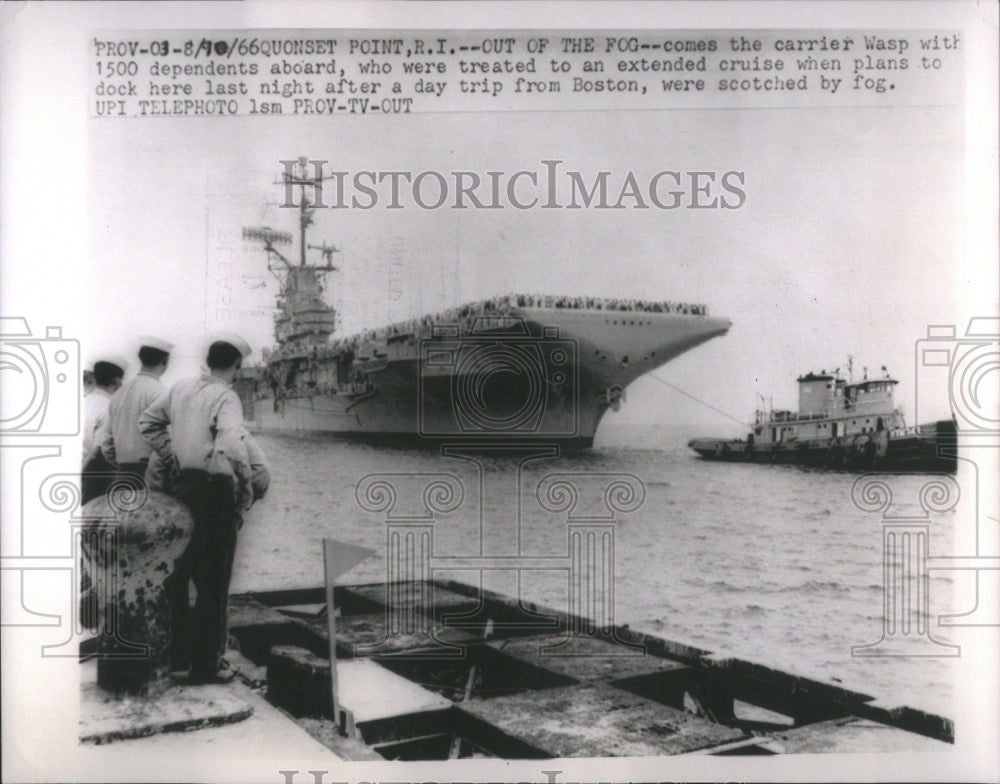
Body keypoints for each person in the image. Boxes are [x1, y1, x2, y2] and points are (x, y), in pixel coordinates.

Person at [139, 332, 263, 684]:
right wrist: (244, 493)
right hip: (214, 494)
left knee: (178, 576)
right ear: (237, 366)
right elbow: (232, 447)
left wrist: (170, 453)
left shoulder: (179, 388)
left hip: (181, 490)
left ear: (209, 361)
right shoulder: (226, 396)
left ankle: (178, 659)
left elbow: (147, 423)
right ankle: (208, 664)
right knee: (214, 582)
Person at [100, 337, 174, 483]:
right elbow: (169, 439)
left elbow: (107, 443)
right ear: (165, 361)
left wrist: (120, 465)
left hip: (122, 474)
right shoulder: (161, 393)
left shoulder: (118, 395)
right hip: (151, 475)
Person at [81, 356, 128, 505]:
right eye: (121, 381)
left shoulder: (82, 402)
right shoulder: (109, 407)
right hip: (91, 478)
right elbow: (98, 452)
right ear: (115, 382)